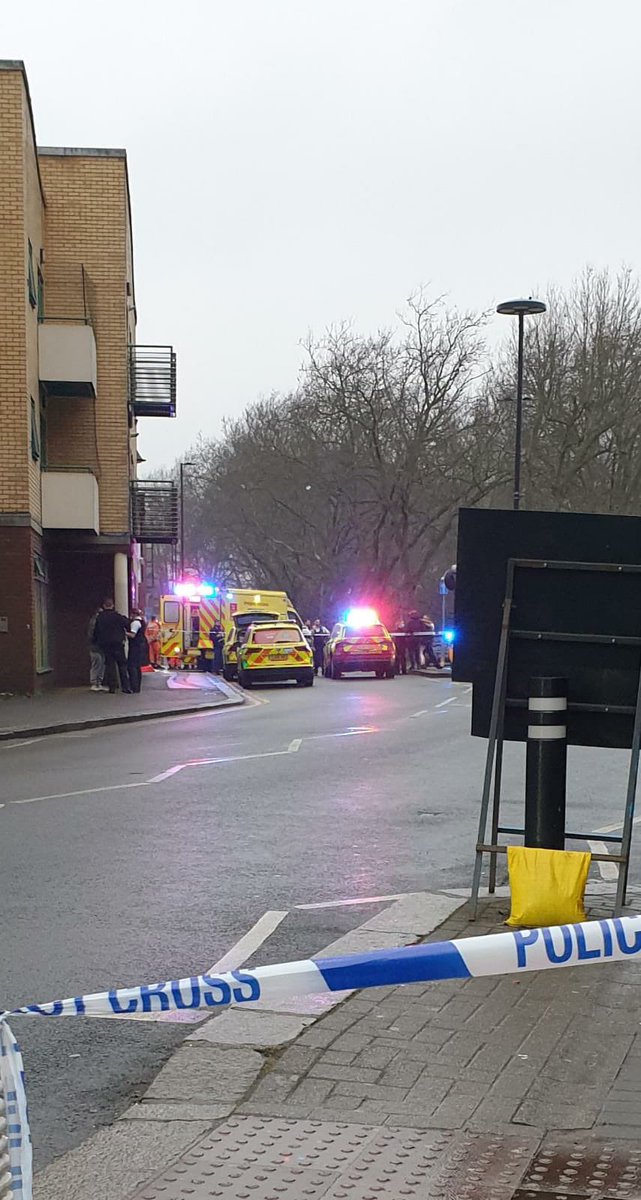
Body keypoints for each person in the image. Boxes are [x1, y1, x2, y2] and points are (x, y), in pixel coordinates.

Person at [93, 598, 132, 694]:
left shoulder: (100, 617)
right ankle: (125, 687)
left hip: (106, 644)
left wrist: (96, 642)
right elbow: (127, 624)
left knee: (110, 665)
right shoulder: (118, 616)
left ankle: (112, 687)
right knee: (122, 665)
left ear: (104, 606)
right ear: (112, 605)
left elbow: (96, 631)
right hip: (118, 644)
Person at [127, 607, 147, 694]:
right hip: (140, 646)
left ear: (133, 614)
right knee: (137, 667)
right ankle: (137, 687)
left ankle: (133, 686)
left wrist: (123, 632)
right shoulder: (142, 622)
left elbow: (132, 635)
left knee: (132, 666)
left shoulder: (135, 623)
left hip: (135, 646)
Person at [88, 604, 106, 692]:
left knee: (100, 663)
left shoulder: (95, 621)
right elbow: (92, 635)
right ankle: (95, 682)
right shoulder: (95, 622)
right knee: (97, 663)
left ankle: (98, 683)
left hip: (97, 646)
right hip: (96, 646)